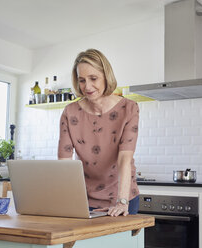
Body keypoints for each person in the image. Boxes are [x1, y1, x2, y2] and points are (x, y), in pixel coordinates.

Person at [58, 49, 140, 217]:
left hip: (122, 198)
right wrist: (66, 201)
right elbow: (64, 162)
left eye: (93, 78)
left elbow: (125, 158)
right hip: (84, 200)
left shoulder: (129, 108)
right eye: (82, 80)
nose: (87, 86)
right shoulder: (70, 112)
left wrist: (122, 201)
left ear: (106, 76)